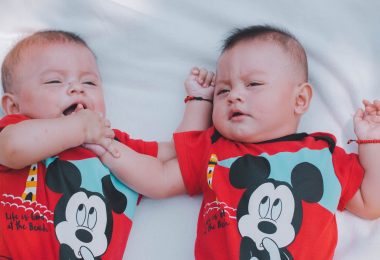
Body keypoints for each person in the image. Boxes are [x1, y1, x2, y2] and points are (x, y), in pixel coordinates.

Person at [88, 25, 380, 259]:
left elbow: (370, 203)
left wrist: (371, 141)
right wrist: (108, 150)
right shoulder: (216, 148)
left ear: (300, 99)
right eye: (223, 90)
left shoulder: (322, 156)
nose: (235, 95)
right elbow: (160, 178)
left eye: (253, 84)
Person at [0, 30, 215, 259]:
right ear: (13, 106)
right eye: (54, 81)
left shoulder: (111, 141)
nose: (77, 88)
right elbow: (10, 148)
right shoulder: (17, 127)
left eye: (89, 82)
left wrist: (198, 101)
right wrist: (78, 129)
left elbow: (177, 153)